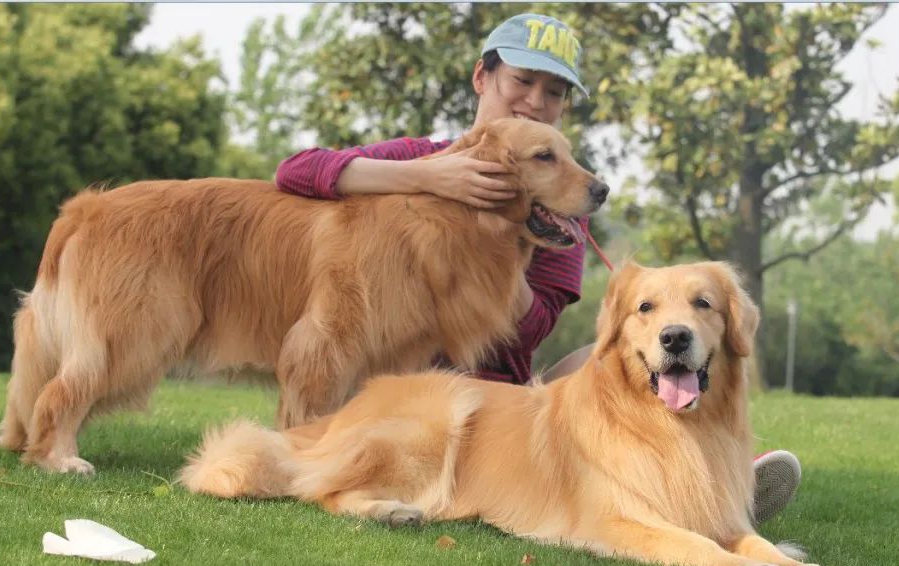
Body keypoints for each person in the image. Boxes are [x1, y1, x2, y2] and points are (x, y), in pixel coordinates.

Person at [273, 12, 801, 525]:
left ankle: (705, 475)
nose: (534, 102)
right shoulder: (419, 157)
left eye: (553, 93)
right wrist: (429, 177)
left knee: (614, 352)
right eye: (522, 81)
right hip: (395, 385)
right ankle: (686, 489)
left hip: (497, 392)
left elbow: (529, 332)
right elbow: (295, 170)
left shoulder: (562, 200)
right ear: (482, 77)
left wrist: (509, 237)